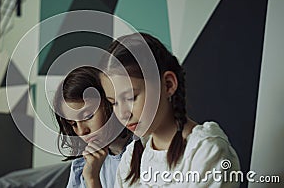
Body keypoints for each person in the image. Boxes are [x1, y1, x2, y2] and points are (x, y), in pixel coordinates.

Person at [99, 33, 240, 187]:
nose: (123, 114)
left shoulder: (206, 150)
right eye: (114, 103)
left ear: (168, 84)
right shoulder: (131, 157)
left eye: (131, 98)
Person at [53, 66, 132, 188]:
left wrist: (92, 179)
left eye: (88, 116)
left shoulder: (145, 151)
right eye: (73, 124)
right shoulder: (81, 167)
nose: (82, 131)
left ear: (110, 102)